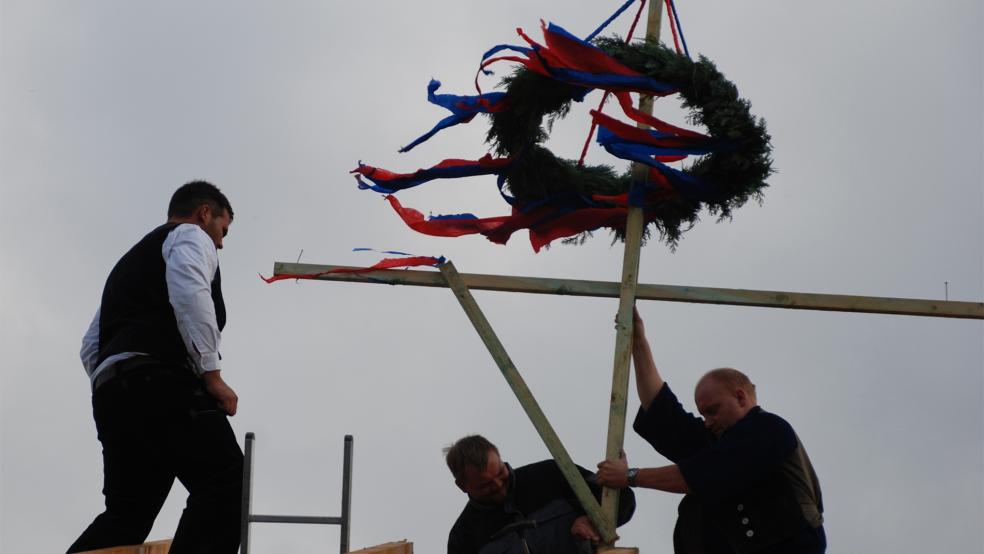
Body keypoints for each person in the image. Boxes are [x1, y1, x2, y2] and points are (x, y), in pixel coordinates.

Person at [69, 181, 243, 554]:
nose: (222, 243)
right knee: (225, 478)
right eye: (223, 230)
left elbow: (91, 346)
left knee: (126, 515)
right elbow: (190, 293)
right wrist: (211, 374)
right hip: (158, 378)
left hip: (114, 390)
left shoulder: (131, 263)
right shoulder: (189, 236)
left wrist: (119, 385)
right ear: (205, 213)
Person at [596, 308, 825, 554]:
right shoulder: (717, 441)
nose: (708, 421)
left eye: (713, 411)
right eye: (704, 414)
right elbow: (663, 414)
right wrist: (638, 342)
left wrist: (630, 476)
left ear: (740, 397)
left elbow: (701, 475)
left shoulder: (767, 430)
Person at [445, 435, 635, 554]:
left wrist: (591, 520)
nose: (499, 486)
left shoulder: (551, 474)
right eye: (486, 485)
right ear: (462, 486)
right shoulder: (462, 538)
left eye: (501, 474)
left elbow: (622, 500)